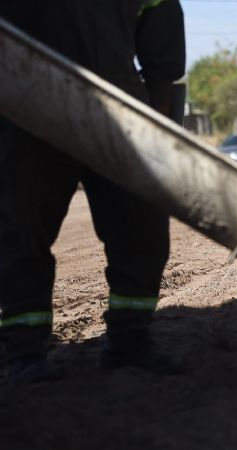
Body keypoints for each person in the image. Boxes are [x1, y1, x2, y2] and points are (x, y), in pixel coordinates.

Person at [0, 0, 186, 382]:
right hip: (21, 95)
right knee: (20, 228)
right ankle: (24, 353)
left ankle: (129, 342)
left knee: (142, 227)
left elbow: (161, 21)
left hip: (115, 103)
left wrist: (160, 123)